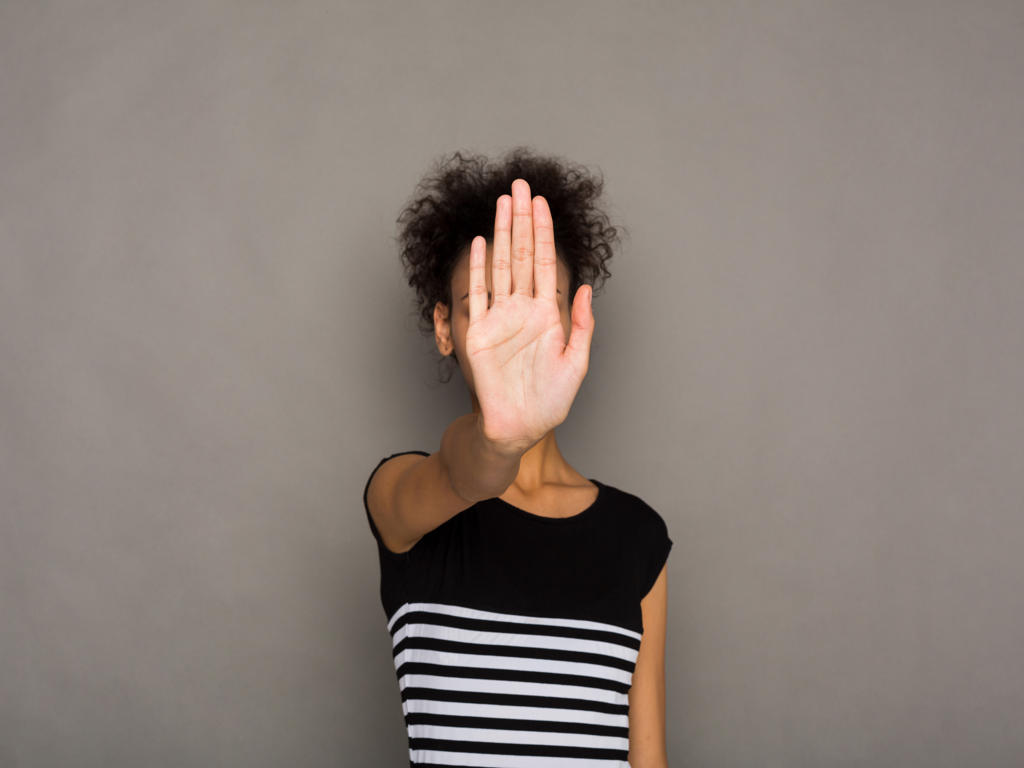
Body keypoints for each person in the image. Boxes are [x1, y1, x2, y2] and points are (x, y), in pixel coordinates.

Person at [363, 147, 673, 767]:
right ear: (446, 328)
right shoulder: (402, 497)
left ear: (573, 317)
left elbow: (648, 758)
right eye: (485, 305)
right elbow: (462, 468)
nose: (516, 329)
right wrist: (501, 439)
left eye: (538, 299)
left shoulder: (638, 536)